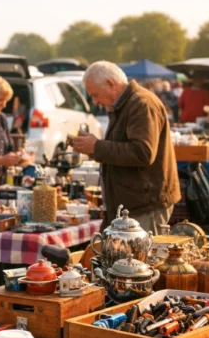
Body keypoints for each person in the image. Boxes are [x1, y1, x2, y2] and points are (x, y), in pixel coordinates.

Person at [72, 61, 180, 234]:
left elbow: (143, 153)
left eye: (96, 95)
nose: (96, 101)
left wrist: (97, 147)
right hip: (134, 204)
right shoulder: (126, 104)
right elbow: (124, 147)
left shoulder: (141, 104)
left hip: (145, 204)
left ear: (110, 84)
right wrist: (93, 148)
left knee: (142, 260)